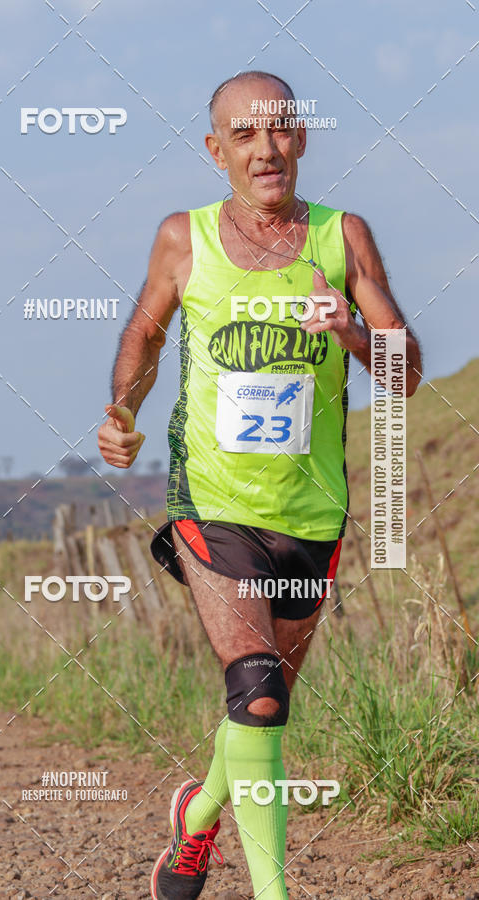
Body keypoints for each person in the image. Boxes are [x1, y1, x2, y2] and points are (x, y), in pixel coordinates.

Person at [98, 70, 422, 900]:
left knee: (261, 706)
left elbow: (407, 371)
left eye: (278, 130)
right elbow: (146, 328)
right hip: (213, 503)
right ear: (217, 152)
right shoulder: (184, 237)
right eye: (243, 135)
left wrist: (349, 327)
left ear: (302, 138)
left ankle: (197, 817)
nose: (265, 148)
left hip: (311, 510)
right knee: (259, 696)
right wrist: (123, 411)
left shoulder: (342, 237)